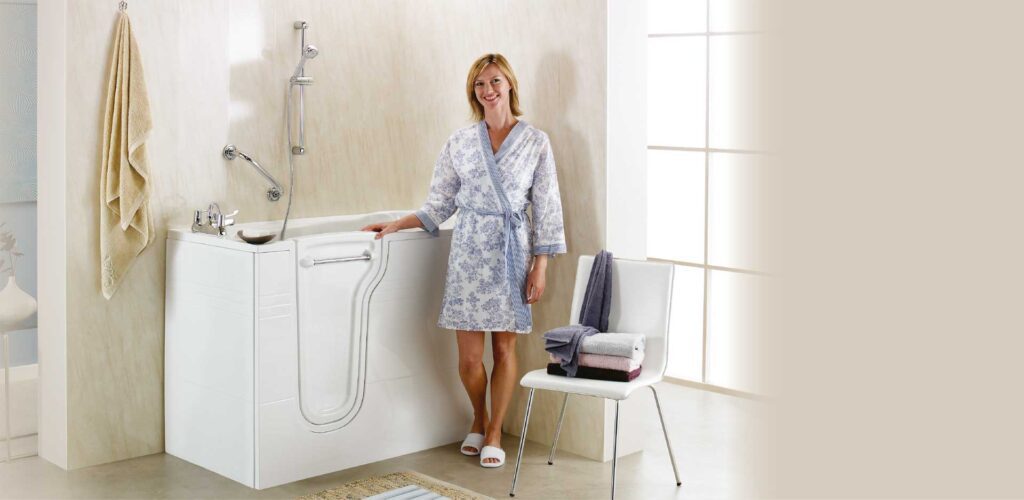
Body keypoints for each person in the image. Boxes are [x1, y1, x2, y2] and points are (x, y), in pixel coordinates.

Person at [360, 53, 567, 468]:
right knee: (470, 358)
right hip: (469, 251)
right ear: (473, 93)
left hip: (511, 250)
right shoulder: (459, 142)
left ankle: (494, 433)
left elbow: (547, 207)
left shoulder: (535, 142)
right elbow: (439, 201)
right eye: (479, 85)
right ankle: (479, 414)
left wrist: (540, 265)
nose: (488, 91)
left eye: (494, 82)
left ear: (510, 83)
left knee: (504, 349)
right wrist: (399, 223)